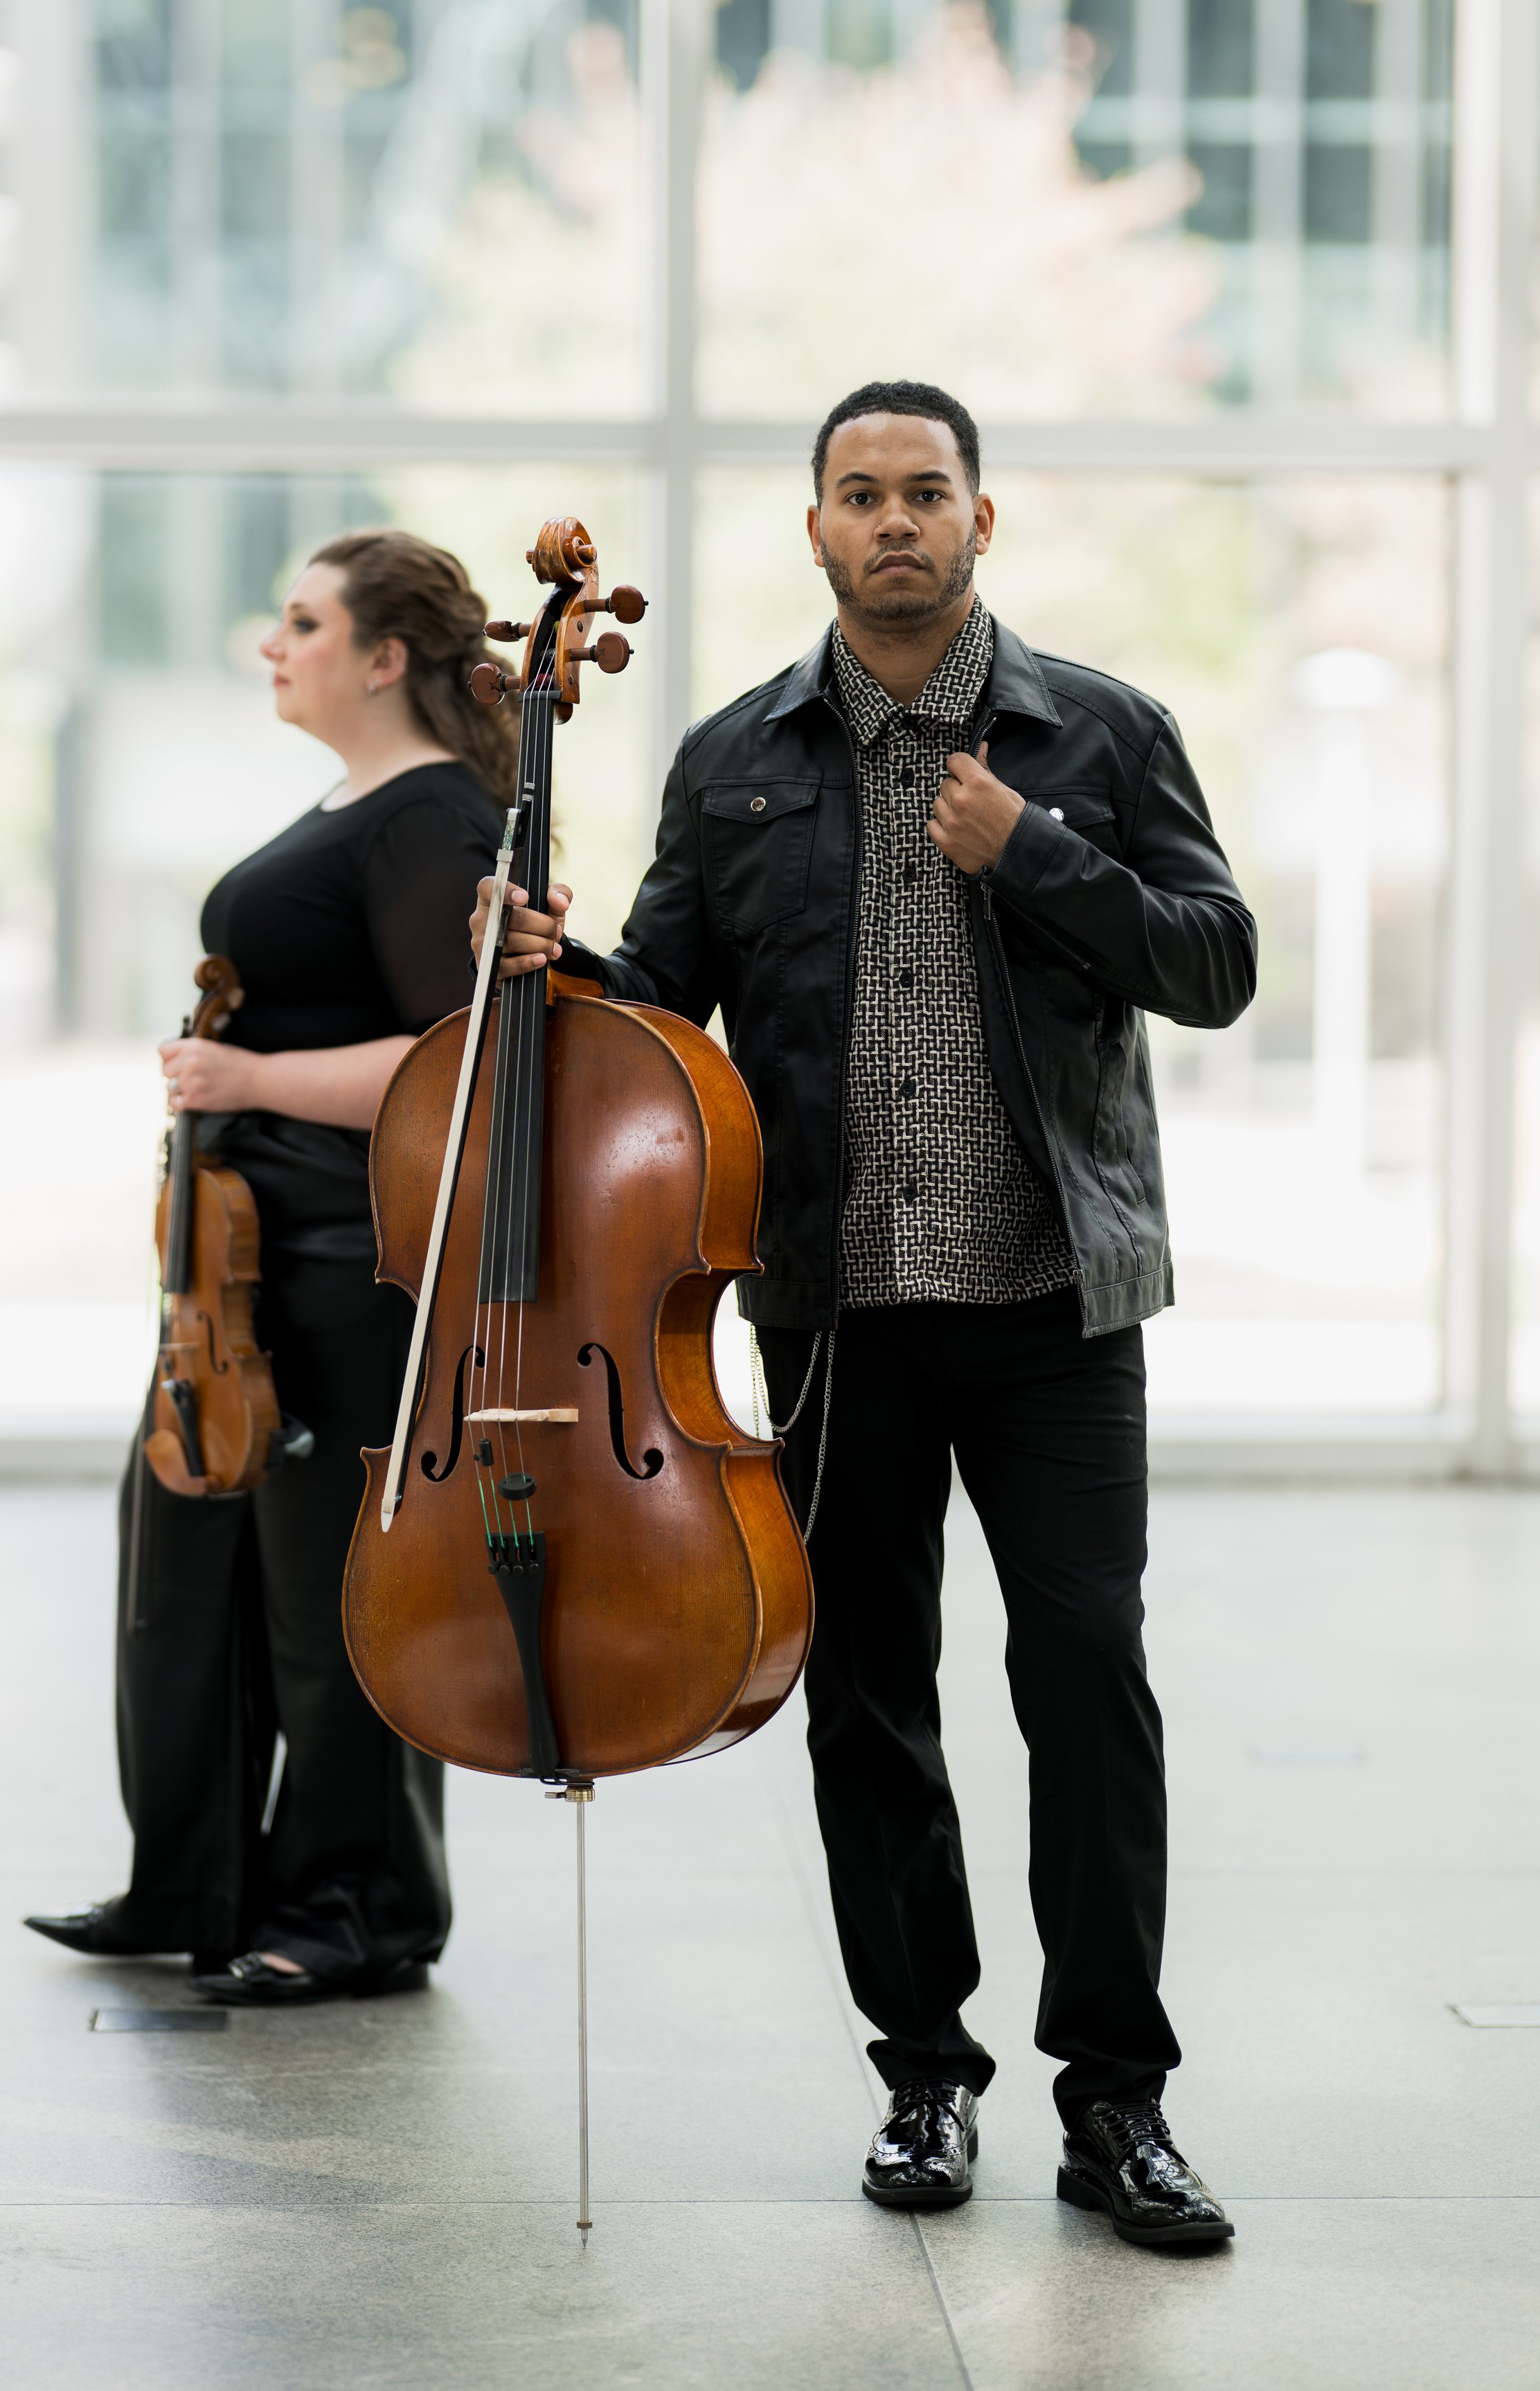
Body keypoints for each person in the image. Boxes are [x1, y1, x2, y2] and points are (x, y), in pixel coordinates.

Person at [471, 380, 1254, 2245]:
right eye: (856, 492)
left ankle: (1115, 2100)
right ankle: (924, 2071)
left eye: (925, 490)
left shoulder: (1101, 733)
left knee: (1087, 1686)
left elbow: (1213, 959)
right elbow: (660, 1011)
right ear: (811, 528)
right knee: (864, 1701)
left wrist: (1036, 854)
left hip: (1059, 1304)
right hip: (830, 1314)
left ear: (984, 520)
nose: (891, 517)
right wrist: (552, 960)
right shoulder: (737, 759)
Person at [26, 527, 512, 2005]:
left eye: (302, 621)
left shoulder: (430, 818)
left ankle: (359, 1906)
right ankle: (195, 1880)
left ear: (383, 657)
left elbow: (459, 1066)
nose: (270, 642)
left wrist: (244, 1078)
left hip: (348, 1260)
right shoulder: (358, 800)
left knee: (330, 1595)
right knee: (190, 1568)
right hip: (249, 1266)